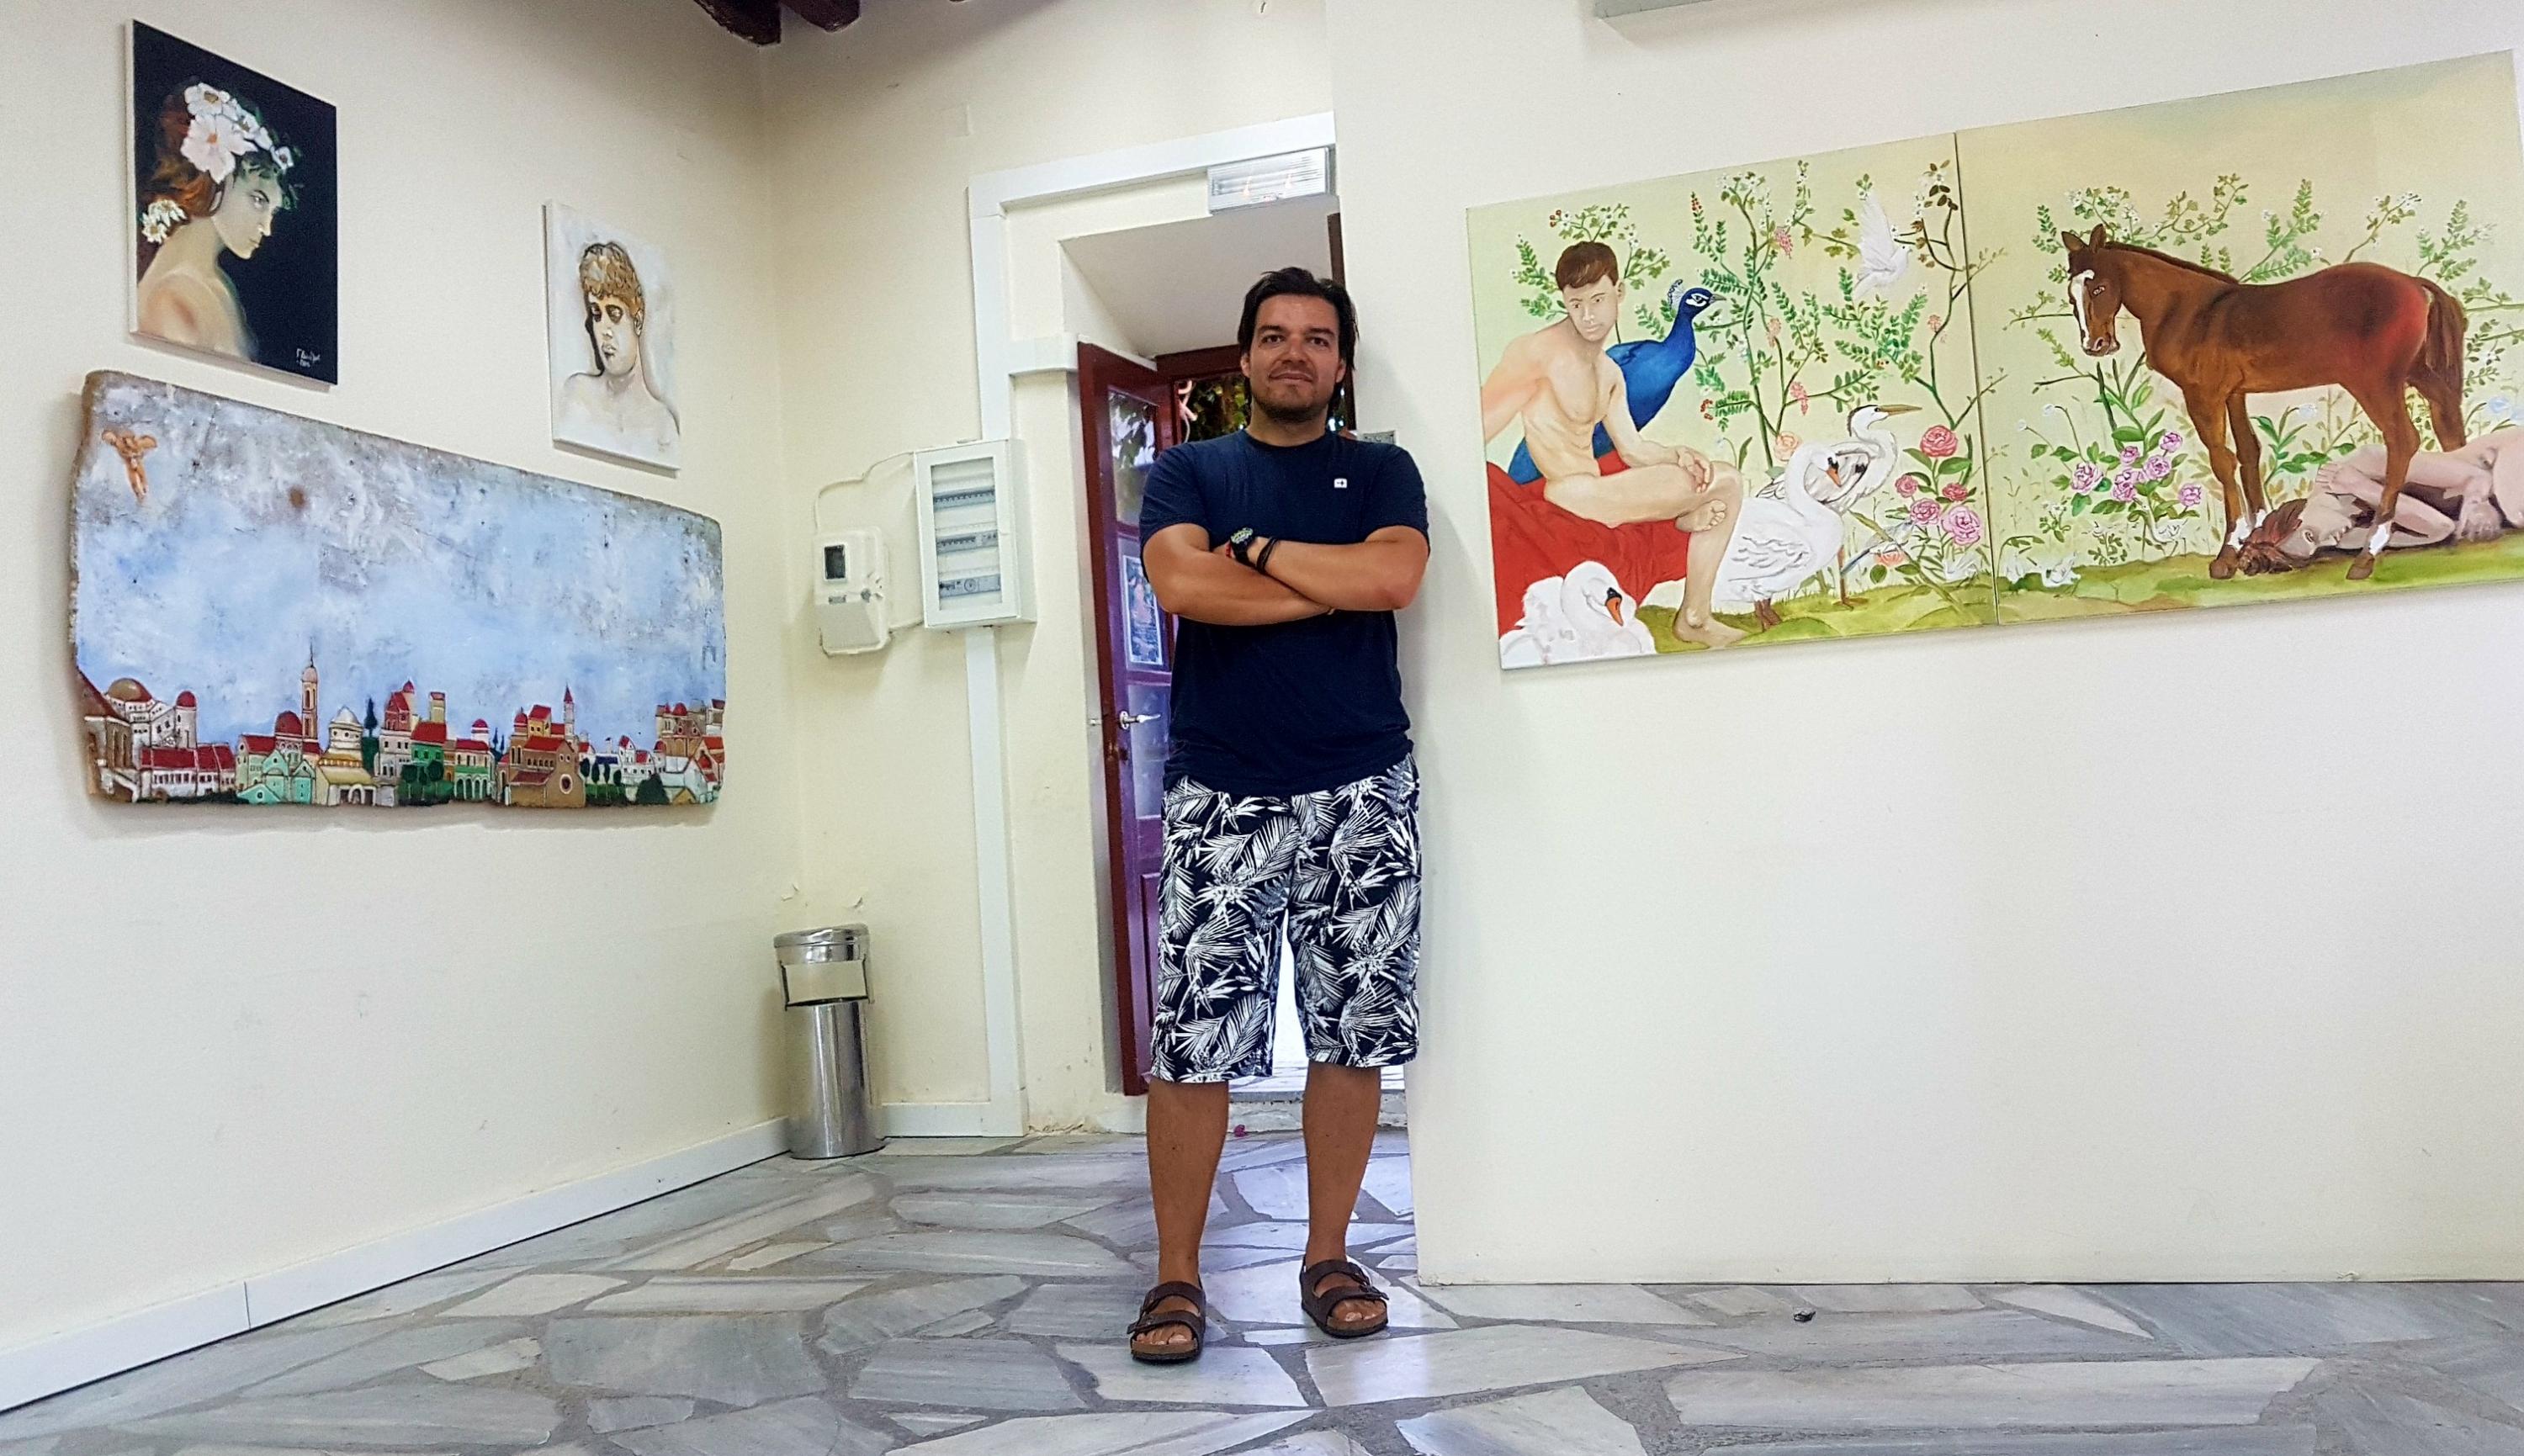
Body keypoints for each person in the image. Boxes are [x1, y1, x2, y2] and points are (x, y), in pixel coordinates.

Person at [1127, 267, 1430, 1363]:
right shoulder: (1190, 470)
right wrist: (1326, 581)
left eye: (1316, 337)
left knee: (1352, 1034)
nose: (1294, 352)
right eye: (1273, 335)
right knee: (1194, 1045)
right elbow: (1184, 588)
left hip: (1364, 786)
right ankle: (1176, 1275)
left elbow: (1393, 579)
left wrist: (1254, 555)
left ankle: (1329, 1257)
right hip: (1222, 791)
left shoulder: (1382, 470)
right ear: (1246, 356)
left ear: (1341, 364)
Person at [1479, 241, 1745, 647]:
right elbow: (1477, 428)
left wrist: (1678, 454)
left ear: (1619, 293)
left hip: (1600, 492)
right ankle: (1692, 599)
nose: (1588, 316)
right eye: (1576, 303)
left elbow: (1632, 449)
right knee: (1724, 484)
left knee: (1725, 480)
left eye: (1598, 300)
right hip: (1571, 493)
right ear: (1564, 301)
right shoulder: (1537, 353)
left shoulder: (1608, 371)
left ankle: (1693, 613)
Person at [135, 82, 298, 363]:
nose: (266, 228)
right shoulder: (172, 298)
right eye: (258, 200)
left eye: (272, 211)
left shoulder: (217, 286)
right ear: (217, 178)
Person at [2240, 428, 2524, 570]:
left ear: (2299, 513)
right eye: (2318, 548)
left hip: (2499, 459)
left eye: (2312, 535)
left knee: (2516, 512)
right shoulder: (2344, 537)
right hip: (2499, 494)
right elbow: (2441, 529)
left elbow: (2476, 477)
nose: (2329, 541)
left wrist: (2477, 504)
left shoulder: (2365, 463)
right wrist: (2364, 489)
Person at [559, 241, 681, 459]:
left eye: (614, 314)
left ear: (638, 320)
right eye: (597, 315)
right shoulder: (576, 396)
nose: (604, 331)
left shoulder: (663, 426)